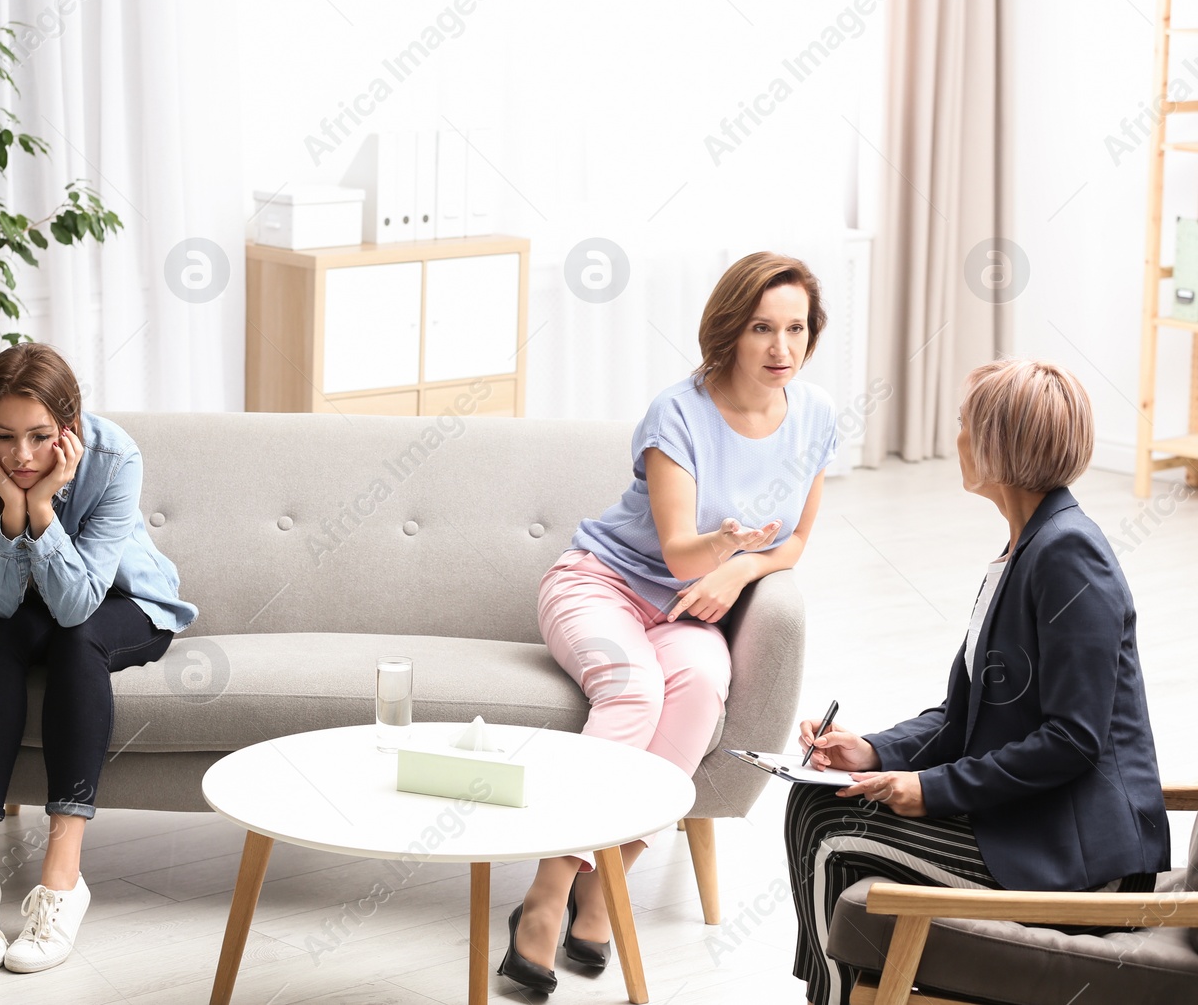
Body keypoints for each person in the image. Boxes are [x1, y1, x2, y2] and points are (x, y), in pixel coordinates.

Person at [499, 251, 839, 993]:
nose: (782, 348)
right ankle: (547, 893)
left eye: (796, 328)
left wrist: (742, 568)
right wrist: (723, 545)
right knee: (634, 691)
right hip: (603, 583)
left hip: (685, 608)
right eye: (761, 328)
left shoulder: (815, 415)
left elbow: (797, 541)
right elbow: (681, 548)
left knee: (699, 692)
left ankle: (605, 883)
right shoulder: (678, 412)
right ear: (729, 330)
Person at [785, 358, 1169, 1005]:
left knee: (830, 831)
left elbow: (1073, 738)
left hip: (1082, 863)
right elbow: (961, 713)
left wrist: (931, 788)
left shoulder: (1070, 557)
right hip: (1031, 823)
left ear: (1001, 441)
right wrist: (877, 751)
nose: (957, 437)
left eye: (967, 425)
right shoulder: (1025, 549)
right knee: (822, 799)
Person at [0, 343, 197, 974]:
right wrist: (8, 505)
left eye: (38, 436)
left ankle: (61, 883)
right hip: (19, 607)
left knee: (76, 642)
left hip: (120, 601)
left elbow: (80, 603)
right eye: (3, 437)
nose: (21, 456)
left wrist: (44, 508)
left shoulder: (114, 458)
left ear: (70, 428)